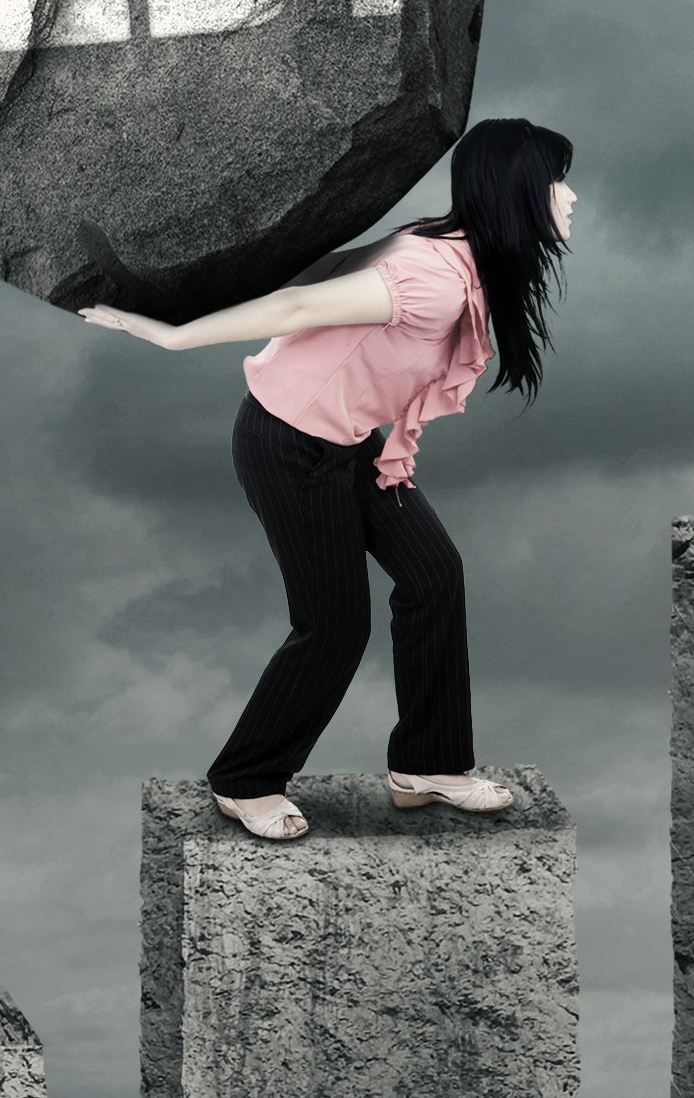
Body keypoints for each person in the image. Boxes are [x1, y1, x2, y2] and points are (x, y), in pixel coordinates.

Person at [78, 117, 575, 843]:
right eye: (560, 180)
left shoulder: (448, 246)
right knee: (335, 624)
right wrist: (171, 332)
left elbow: (328, 265)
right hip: (288, 446)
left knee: (434, 574)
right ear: (523, 190)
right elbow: (301, 305)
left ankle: (430, 764)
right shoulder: (432, 279)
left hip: (345, 442)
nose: (573, 199)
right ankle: (245, 780)